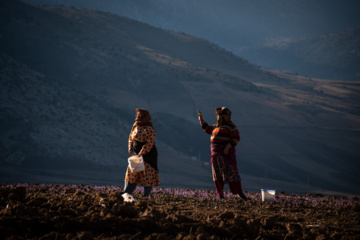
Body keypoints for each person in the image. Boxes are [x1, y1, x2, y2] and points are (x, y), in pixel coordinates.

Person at [198, 107, 247, 200]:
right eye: (218, 116)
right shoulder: (216, 126)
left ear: (226, 116)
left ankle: (239, 193)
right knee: (217, 174)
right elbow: (207, 129)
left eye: (221, 116)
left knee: (232, 173)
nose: (218, 118)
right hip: (215, 154)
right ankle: (220, 194)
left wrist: (228, 146)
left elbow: (236, 138)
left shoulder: (231, 127)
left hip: (226, 154)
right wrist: (201, 120)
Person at [122, 108, 160, 197]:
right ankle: (126, 193)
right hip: (137, 154)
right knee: (132, 173)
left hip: (148, 155)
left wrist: (142, 152)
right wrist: (130, 147)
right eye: (136, 115)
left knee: (147, 175)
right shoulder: (136, 125)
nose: (136, 117)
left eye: (139, 115)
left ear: (144, 117)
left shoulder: (149, 129)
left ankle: (146, 195)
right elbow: (131, 138)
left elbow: (149, 143)